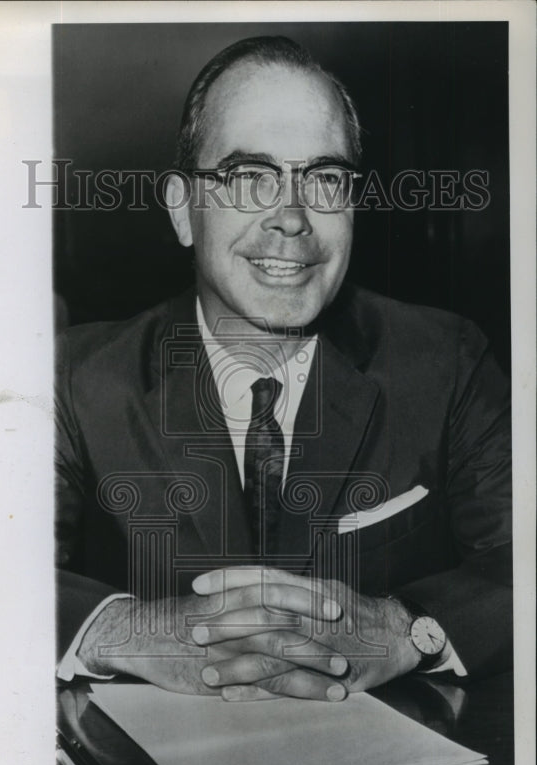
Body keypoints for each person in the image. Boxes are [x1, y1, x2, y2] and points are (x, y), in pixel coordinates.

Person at [54, 36, 511, 702]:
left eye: (325, 179)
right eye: (249, 178)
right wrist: (118, 629)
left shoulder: (446, 361)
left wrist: (414, 629)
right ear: (183, 209)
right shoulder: (76, 379)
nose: (292, 218)